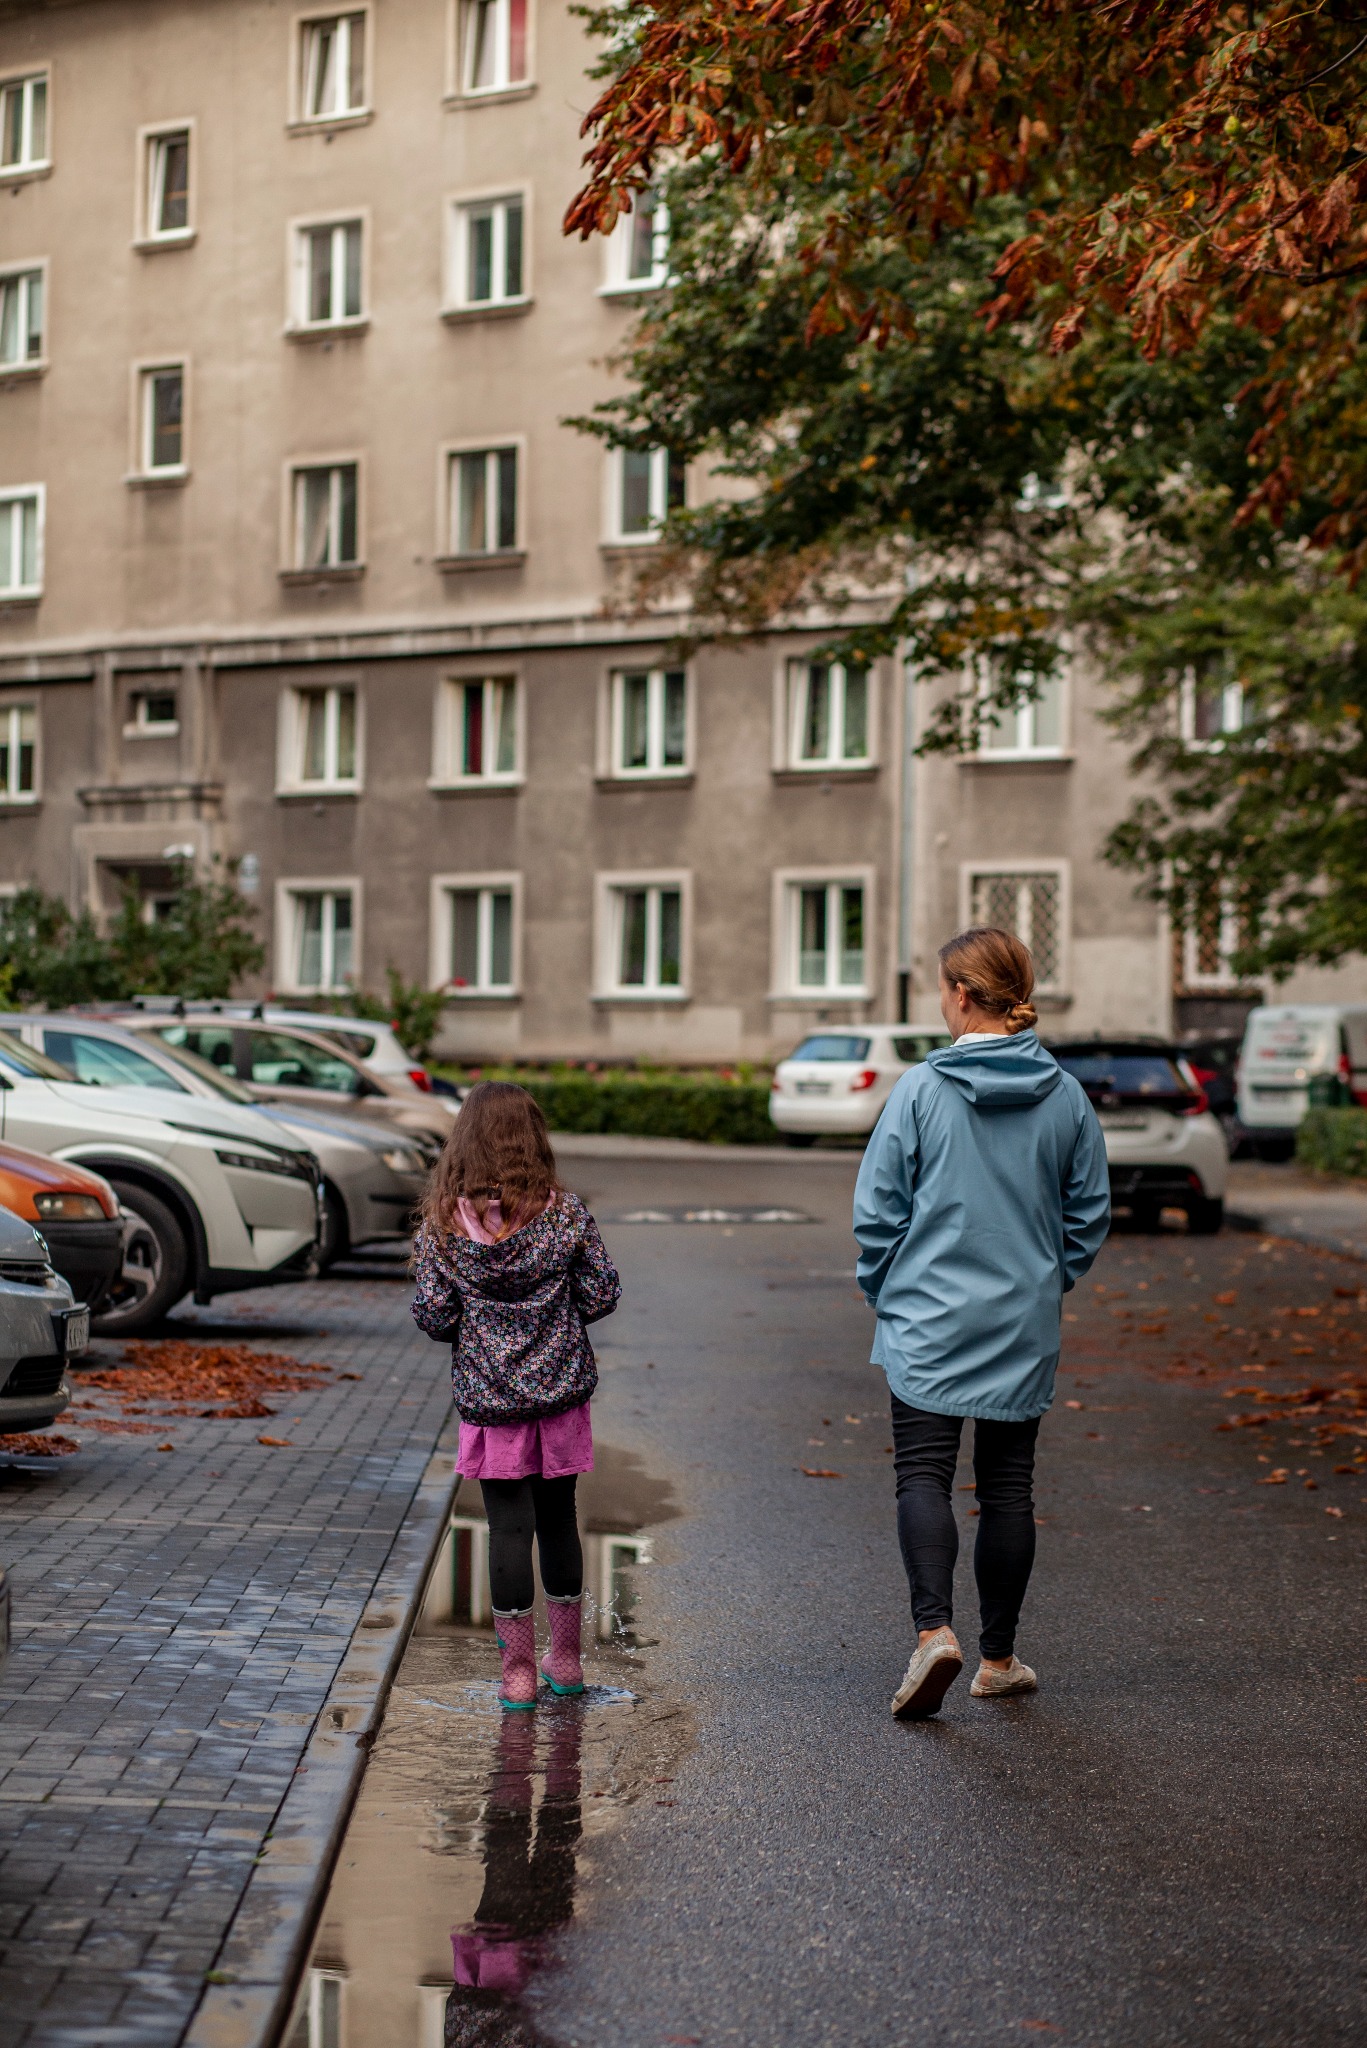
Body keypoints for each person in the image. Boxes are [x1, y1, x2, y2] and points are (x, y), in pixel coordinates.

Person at [853, 927, 1109, 1720]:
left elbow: (877, 1213)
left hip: (926, 1317)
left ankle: (934, 1632)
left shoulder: (921, 1091)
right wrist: (1043, 1281)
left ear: (962, 995)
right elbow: (1087, 1214)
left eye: (942, 990)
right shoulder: (1065, 1095)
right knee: (1006, 1487)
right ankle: (996, 1658)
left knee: (921, 1475)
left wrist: (887, 1292)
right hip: (1020, 1322)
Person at [411, 1081, 621, 1709]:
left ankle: (518, 1675)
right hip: (558, 1393)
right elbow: (602, 1294)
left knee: (506, 1527)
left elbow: (435, 1315)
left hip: (491, 1402)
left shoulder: (443, 1229)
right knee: (559, 1520)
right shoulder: (564, 1214)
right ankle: (567, 1662)